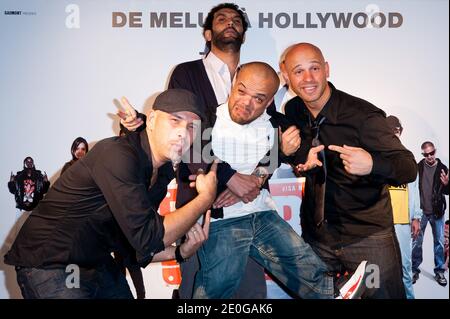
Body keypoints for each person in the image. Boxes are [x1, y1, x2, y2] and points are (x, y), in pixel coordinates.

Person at [4, 89, 218, 299]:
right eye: (175, 120)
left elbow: (135, 244)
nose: (183, 132)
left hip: (96, 262)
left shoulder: (162, 172)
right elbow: (149, 237)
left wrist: (180, 252)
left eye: (192, 127)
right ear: (151, 120)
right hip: (51, 263)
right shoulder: (118, 155)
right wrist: (205, 198)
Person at [121, 3, 267, 299]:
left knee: (249, 294)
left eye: (236, 20)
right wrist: (228, 178)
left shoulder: (257, 77)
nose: (230, 23)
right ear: (207, 33)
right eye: (222, 19)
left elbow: (270, 135)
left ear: (244, 35)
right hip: (200, 201)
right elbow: (187, 135)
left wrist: (257, 179)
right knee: (197, 290)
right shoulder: (187, 73)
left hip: (250, 205)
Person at [192, 61, 368, 299]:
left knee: (302, 262)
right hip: (222, 220)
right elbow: (190, 156)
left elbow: (303, 151)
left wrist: (276, 157)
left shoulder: (277, 124)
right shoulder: (207, 118)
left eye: (258, 98)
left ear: (269, 101)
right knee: (216, 289)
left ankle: (333, 294)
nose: (246, 103)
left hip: (262, 212)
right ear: (233, 83)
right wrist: (231, 178)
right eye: (241, 91)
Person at [281, 42, 418, 298]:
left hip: (368, 238)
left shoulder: (363, 116)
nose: (308, 78)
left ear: (327, 69)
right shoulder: (294, 110)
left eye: (314, 68)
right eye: (298, 71)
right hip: (317, 237)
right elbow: (297, 152)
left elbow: (408, 167)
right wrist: (294, 156)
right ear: (286, 76)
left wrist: (373, 165)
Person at [386, 115, 421, 299]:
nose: (394, 134)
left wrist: (416, 217)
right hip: (382, 223)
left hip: (401, 223)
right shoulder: (379, 159)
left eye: (396, 130)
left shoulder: (409, 160)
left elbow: (414, 190)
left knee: (405, 268)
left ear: (400, 131)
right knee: (383, 270)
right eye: (390, 131)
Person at [412, 141, 449, 287]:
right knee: (416, 242)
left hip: (437, 212)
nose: (429, 156)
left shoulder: (442, 168)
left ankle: (439, 271)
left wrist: (447, 184)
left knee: (439, 242)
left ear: (435, 151)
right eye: (426, 154)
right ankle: (414, 269)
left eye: (431, 153)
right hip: (421, 212)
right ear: (423, 154)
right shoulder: (418, 167)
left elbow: (447, 192)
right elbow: (414, 189)